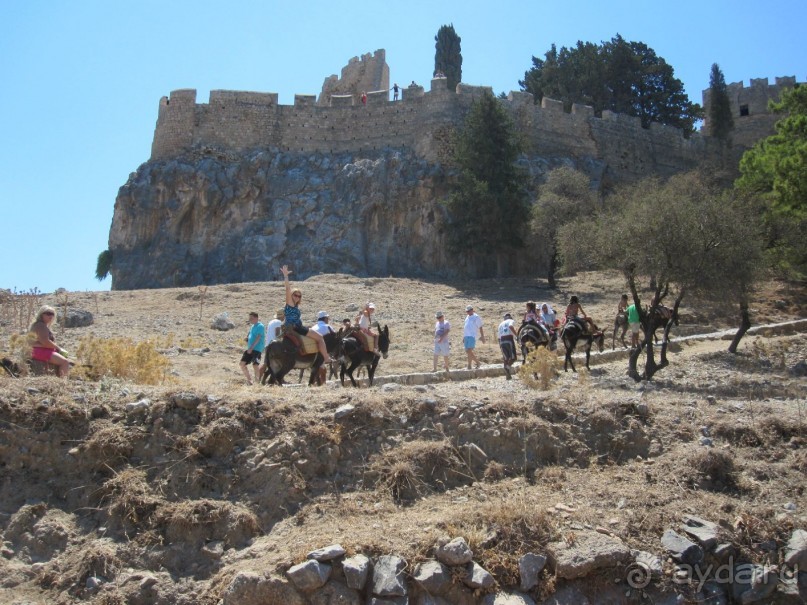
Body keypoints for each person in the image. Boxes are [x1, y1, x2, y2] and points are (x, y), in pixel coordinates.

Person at [280, 265, 333, 363]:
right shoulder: (290, 303)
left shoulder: (294, 306)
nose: (297, 297)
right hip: (296, 327)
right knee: (320, 337)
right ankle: (326, 357)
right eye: (295, 295)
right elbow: (287, 289)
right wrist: (286, 276)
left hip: (295, 326)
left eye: (299, 296)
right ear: (292, 295)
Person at [28, 305, 70, 377]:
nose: (50, 316)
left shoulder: (39, 325)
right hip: (39, 351)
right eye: (48, 313)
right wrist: (59, 348)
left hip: (38, 350)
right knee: (65, 362)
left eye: (52, 314)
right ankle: (63, 382)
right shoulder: (41, 326)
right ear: (41, 315)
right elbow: (45, 342)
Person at [310, 310, 336, 384]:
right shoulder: (327, 327)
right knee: (322, 369)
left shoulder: (313, 327)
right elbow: (335, 336)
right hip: (322, 351)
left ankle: (316, 382)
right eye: (327, 318)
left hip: (312, 350)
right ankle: (322, 383)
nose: (328, 320)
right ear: (325, 319)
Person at [239, 312, 265, 385]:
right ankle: (250, 380)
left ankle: (257, 382)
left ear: (256, 318)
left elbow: (258, 337)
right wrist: (247, 338)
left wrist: (251, 347)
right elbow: (251, 335)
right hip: (250, 348)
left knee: (255, 365)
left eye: (251, 318)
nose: (250, 320)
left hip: (257, 349)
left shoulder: (260, 326)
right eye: (249, 318)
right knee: (242, 364)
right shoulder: (252, 326)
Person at [258, 309, 284, 380]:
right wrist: (284, 334)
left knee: (266, 363)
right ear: (283, 316)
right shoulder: (279, 322)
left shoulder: (271, 322)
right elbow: (277, 334)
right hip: (274, 346)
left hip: (268, 344)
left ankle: (258, 378)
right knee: (280, 363)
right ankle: (279, 379)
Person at [463, 305, 485, 369]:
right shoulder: (467, 317)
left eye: (469, 311)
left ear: (472, 310)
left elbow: (480, 327)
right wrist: (464, 336)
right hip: (466, 335)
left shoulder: (476, 317)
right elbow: (466, 327)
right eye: (467, 311)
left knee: (469, 350)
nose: (468, 312)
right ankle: (469, 365)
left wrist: (482, 336)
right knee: (467, 351)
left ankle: (477, 362)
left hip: (472, 335)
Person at [497, 313, 518, 378]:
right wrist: (517, 336)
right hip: (509, 339)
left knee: (506, 358)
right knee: (513, 358)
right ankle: (507, 368)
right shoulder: (511, 321)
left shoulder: (500, 324)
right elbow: (511, 327)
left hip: (502, 341)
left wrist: (500, 345)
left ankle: (507, 375)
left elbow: (498, 337)